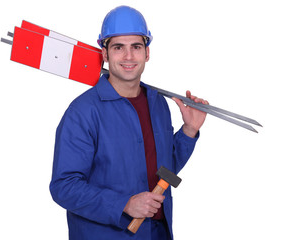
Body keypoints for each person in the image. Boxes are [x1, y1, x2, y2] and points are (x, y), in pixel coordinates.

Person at [50, 5, 208, 240]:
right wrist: (123, 204)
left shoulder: (158, 104)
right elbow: (64, 186)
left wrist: (189, 131)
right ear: (104, 54)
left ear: (147, 53)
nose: (128, 57)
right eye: (118, 48)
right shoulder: (83, 111)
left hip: (157, 233)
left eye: (136, 47)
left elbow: (164, 172)